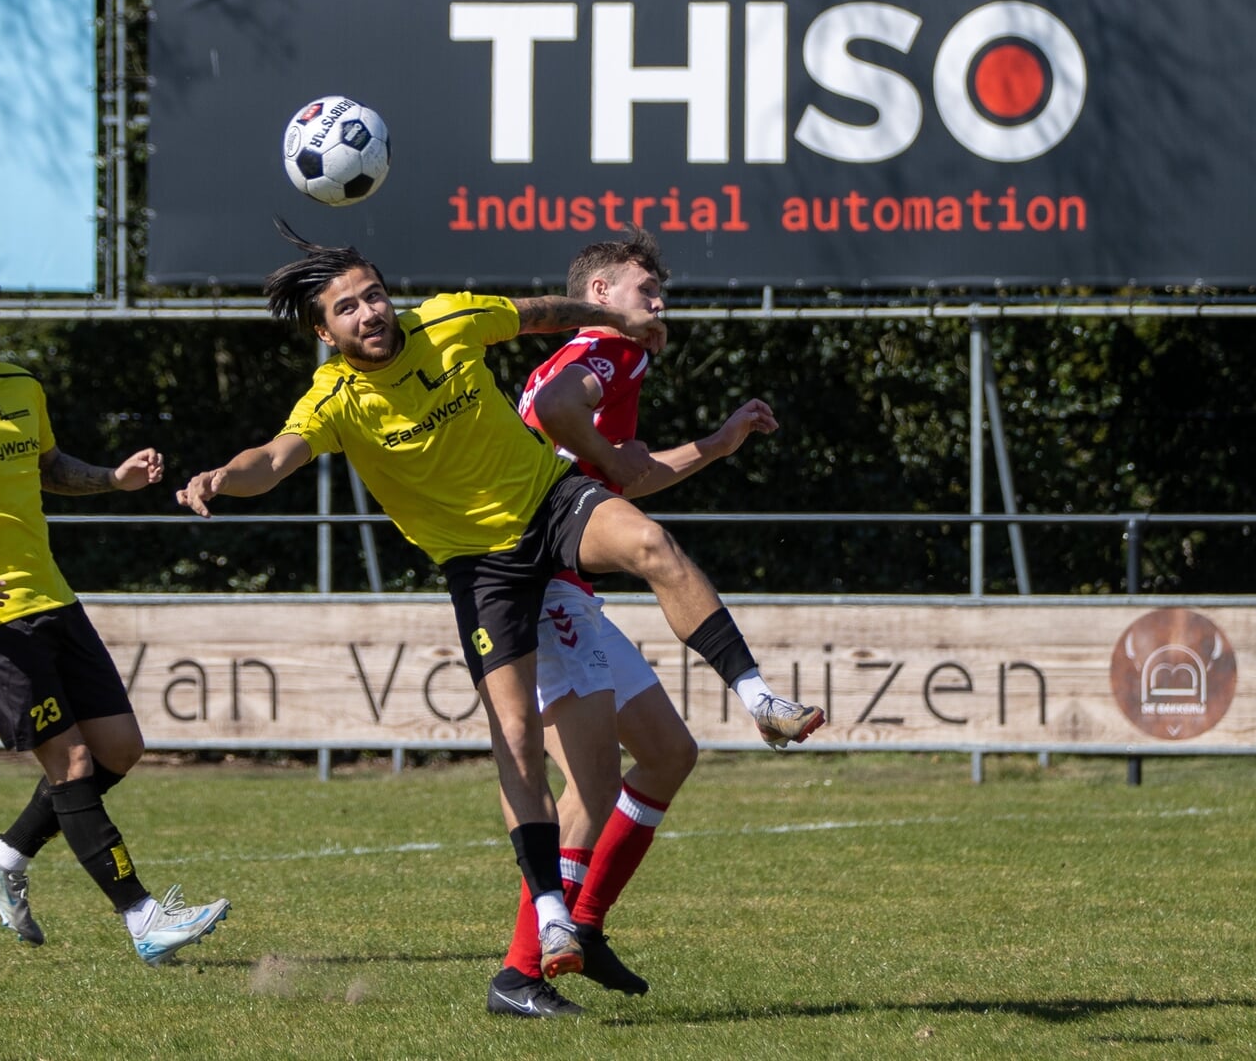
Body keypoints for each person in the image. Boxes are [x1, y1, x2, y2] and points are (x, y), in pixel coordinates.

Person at [176, 222, 823, 1014]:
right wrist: (221, 478)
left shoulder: (447, 320)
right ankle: (550, 931)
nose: (371, 313)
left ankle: (759, 700)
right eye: (349, 308)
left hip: (547, 503)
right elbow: (272, 459)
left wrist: (617, 320)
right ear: (324, 332)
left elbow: (542, 311)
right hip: (482, 569)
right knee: (526, 743)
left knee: (651, 547)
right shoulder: (335, 402)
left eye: (375, 294)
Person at [490, 227, 823, 1016]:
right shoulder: (605, 352)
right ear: (599, 295)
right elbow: (579, 421)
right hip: (541, 587)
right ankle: (520, 971)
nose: (660, 303)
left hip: (567, 584)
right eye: (647, 290)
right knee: (593, 782)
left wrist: (715, 442)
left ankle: (587, 925)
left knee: (670, 753)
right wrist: (592, 457)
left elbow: (631, 474)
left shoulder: (602, 360)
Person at [0, 262, 229, 966]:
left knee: (120, 749)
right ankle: (143, 917)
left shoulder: (23, 388)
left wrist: (114, 479)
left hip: (53, 597)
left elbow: (49, 466)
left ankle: (4, 857)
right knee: (70, 762)